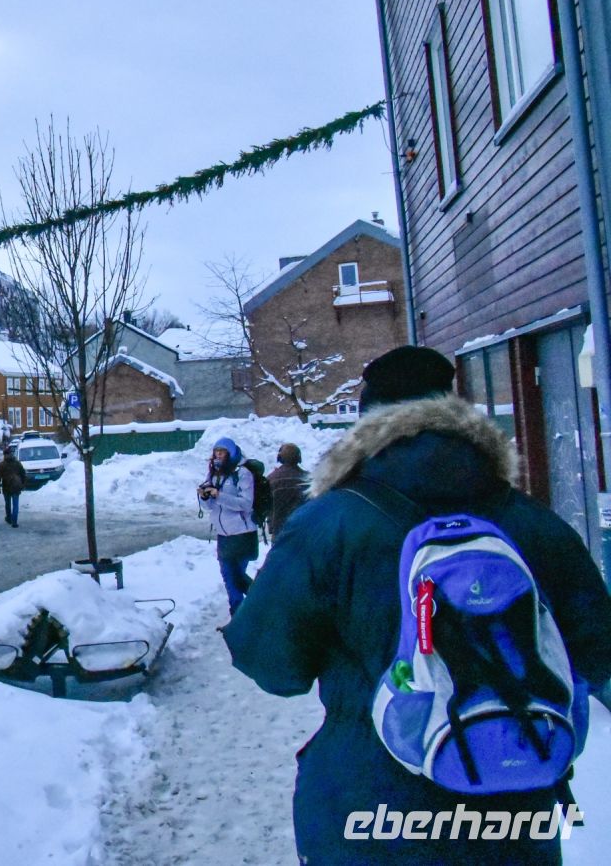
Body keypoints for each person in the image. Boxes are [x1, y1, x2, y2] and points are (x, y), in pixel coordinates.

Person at [224, 345, 611, 865]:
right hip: (513, 801)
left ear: (367, 420)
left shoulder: (328, 523)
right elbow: (597, 654)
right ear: (456, 412)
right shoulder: (529, 519)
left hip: (369, 810)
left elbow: (272, 667)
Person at [197, 436, 259, 618]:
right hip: (223, 535)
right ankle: (246, 611)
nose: (218, 456)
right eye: (216, 452)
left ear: (230, 454)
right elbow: (209, 507)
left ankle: (242, 614)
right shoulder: (213, 473)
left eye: (222, 452)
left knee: (236, 578)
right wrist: (205, 496)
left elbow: (246, 504)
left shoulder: (242, 473)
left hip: (242, 533)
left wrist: (219, 495)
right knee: (229, 577)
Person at [266, 441, 309, 539]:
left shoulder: (270, 479)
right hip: (304, 529)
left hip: (279, 530)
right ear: (299, 458)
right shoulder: (308, 479)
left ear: (279, 458)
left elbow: (266, 507)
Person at [0, 446, 28, 527]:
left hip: (6, 487)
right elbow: (23, 474)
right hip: (16, 486)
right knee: (15, 504)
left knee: (8, 504)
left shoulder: (2, 465)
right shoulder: (17, 463)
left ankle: (9, 518)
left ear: (4, 455)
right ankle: (14, 522)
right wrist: (23, 484)